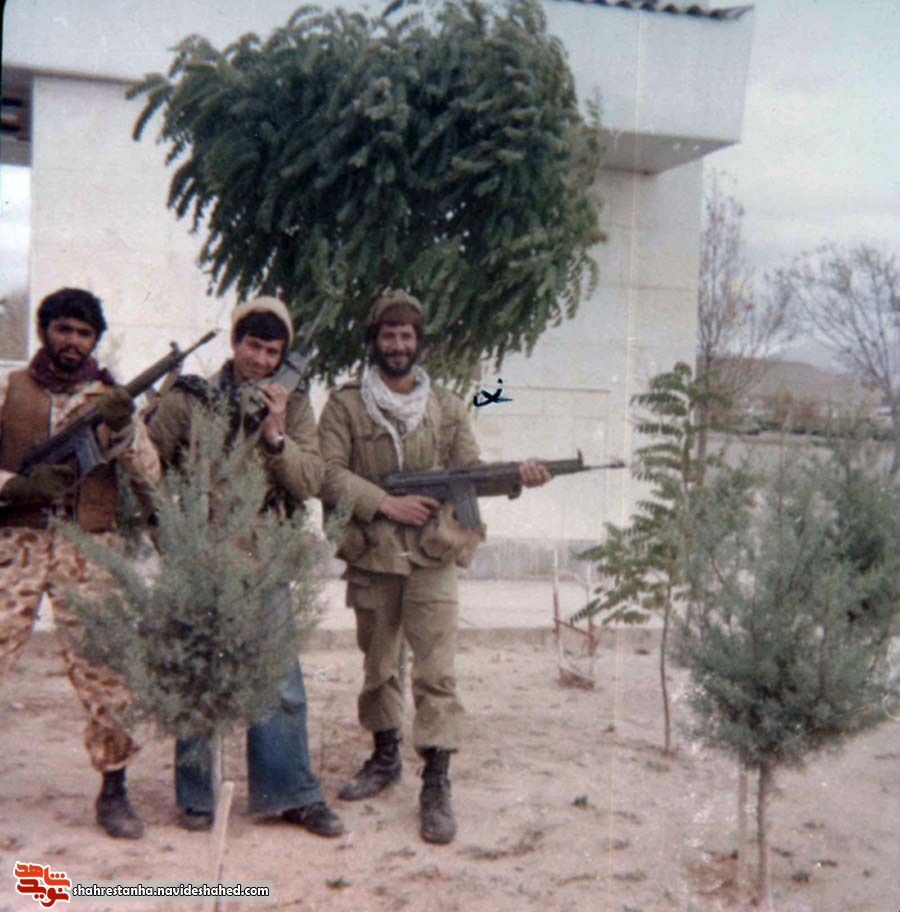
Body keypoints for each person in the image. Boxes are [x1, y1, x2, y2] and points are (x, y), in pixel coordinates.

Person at [317, 289, 550, 845]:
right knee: (379, 666)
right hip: (374, 552)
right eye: (388, 335)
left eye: (407, 336)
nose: (398, 345)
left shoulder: (446, 405)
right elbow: (326, 473)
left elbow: (470, 470)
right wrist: (386, 503)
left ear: (419, 342)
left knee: (436, 672)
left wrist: (516, 477)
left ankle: (436, 780)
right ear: (374, 340)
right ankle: (384, 759)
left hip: (433, 555)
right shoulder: (345, 406)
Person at [147, 296, 344, 838]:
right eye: (252, 346)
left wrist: (277, 432)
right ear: (235, 344)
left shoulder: (294, 405)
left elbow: (311, 481)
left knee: (278, 681)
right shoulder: (191, 398)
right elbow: (145, 467)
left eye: (272, 352)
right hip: (200, 553)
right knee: (197, 673)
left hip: (262, 557)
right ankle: (197, 796)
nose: (260, 359)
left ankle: (288, 793)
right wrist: (168, 534)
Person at [0, 287, 160, 839]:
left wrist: (125, 426)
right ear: (44, 329)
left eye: (84, 333)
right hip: (16, 542)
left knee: (105, 668)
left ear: (95, 340)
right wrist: (14, 484)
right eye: (63, 329)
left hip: (88, 546)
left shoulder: (110, 397)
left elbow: (148, 474)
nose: (72, 341)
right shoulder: (10, 388)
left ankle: (114, 790)